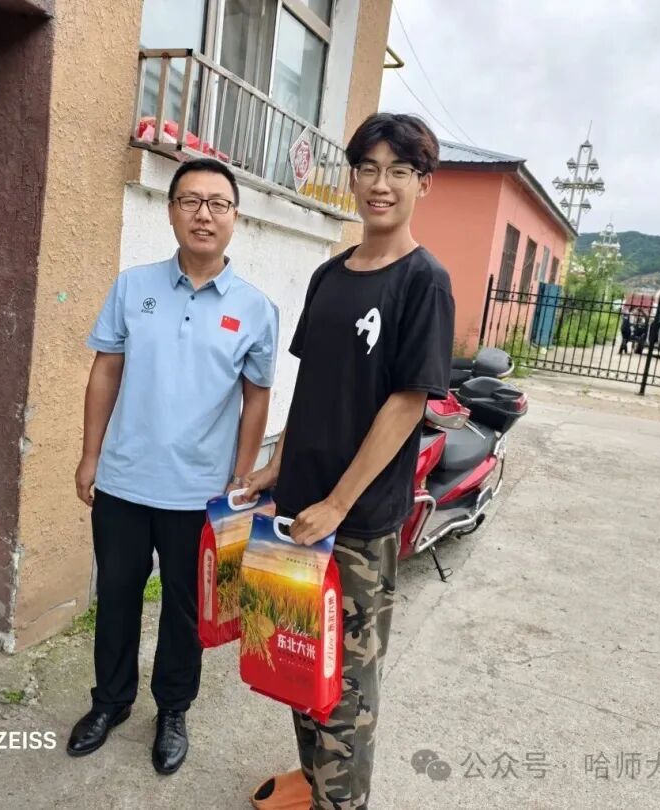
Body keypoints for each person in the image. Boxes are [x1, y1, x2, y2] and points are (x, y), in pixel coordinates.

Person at [242, 113, 454, 810]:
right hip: (296, 509)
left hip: (355, 520)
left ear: (422, 184)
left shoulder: (424, 282)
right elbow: (313, 384)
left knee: (347, 683)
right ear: (354, 178)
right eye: (368, 169)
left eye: (399, 171)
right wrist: (277, 467)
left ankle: (342, 802)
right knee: (299, 658)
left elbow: (407, 403)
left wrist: (338, 502)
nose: (380, 184)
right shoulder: (329, 275)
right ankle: (313, 781)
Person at [69, 158, 279, 775]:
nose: (203, 215)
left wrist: (241, 475)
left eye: (218, 203)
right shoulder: (133, 287)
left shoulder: (256, 308)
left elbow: (256, 396)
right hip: (124, 482)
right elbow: (105, 370)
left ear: (235, 217)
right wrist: (90, 455)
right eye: (190, 201)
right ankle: (110, 702)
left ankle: (173, 711)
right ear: (170, 212)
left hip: (200, 494)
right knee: (117, 598)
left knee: (186, 611)